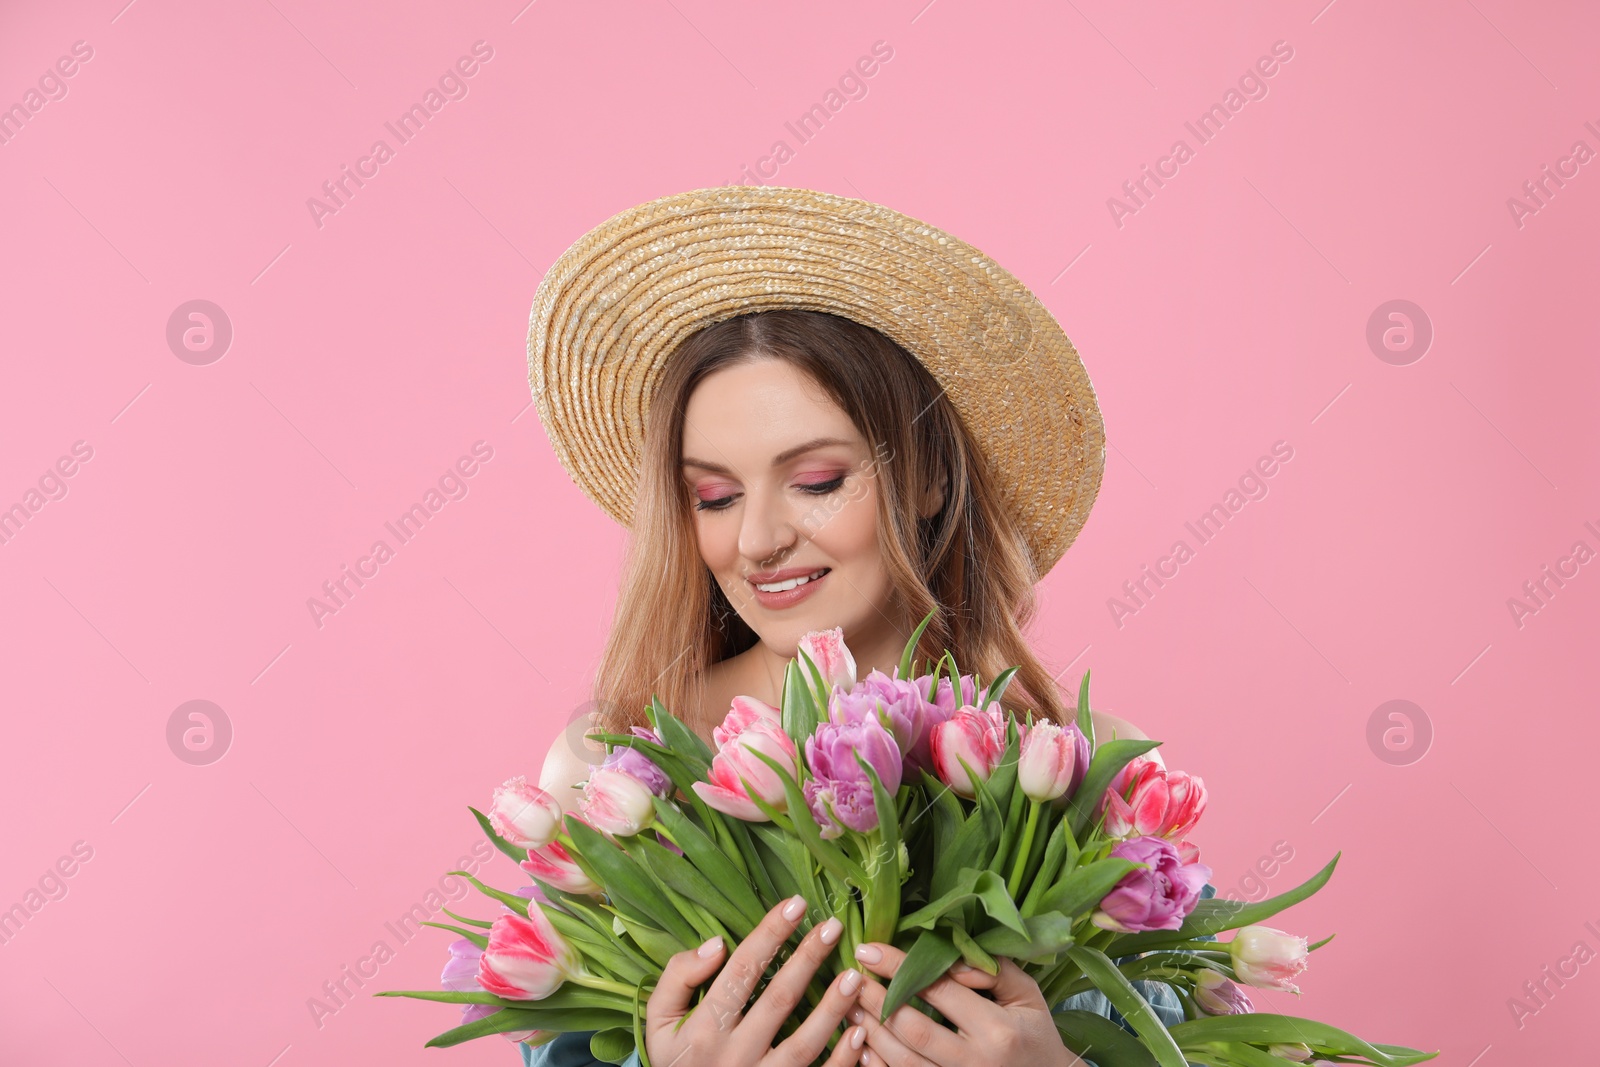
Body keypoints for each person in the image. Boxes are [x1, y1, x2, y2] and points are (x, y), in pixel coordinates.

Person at [513, 187, 1206, 1067]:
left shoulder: (1098, 777)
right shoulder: (614, 772)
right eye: (714, 495)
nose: (757, 538)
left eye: (815, 479)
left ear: (927, 482)